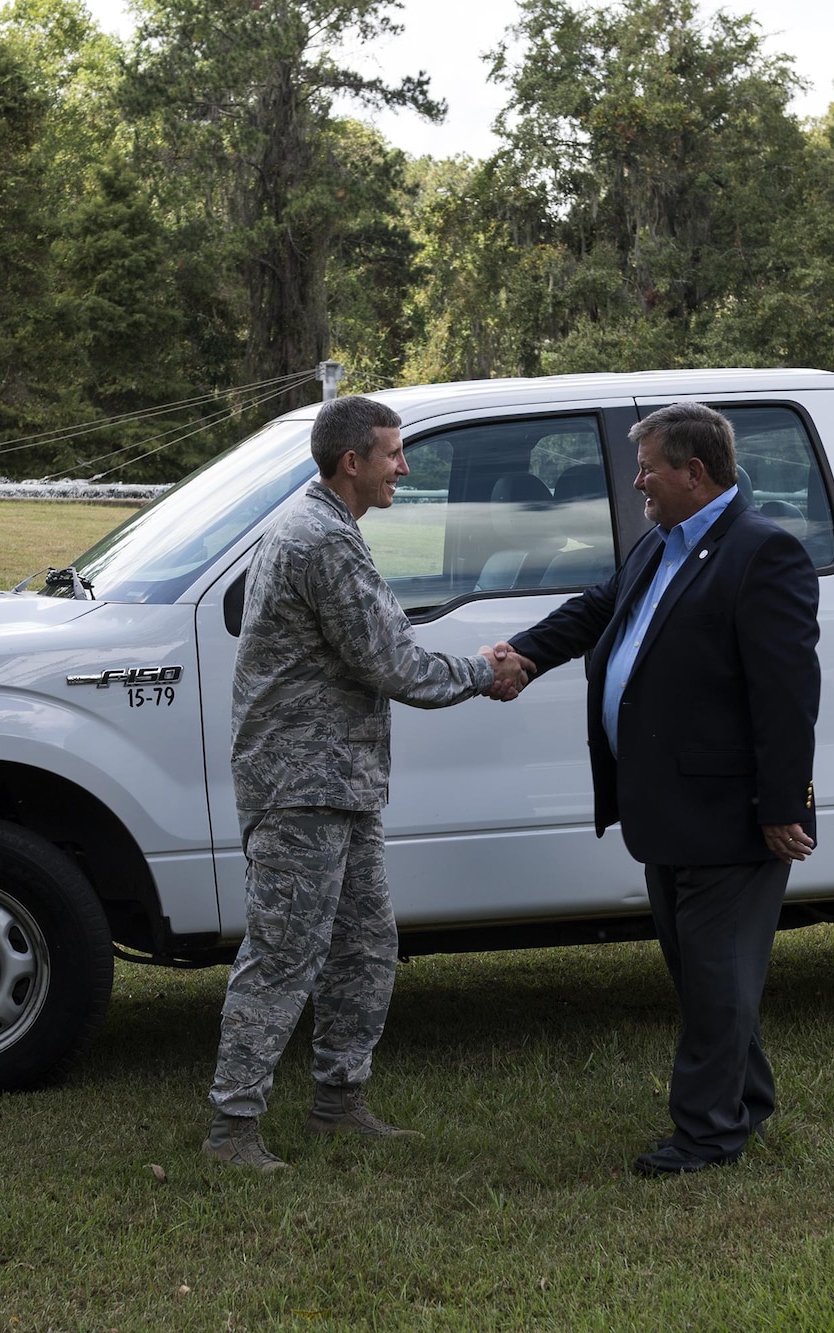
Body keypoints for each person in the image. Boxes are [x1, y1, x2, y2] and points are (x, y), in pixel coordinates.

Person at [205, 394, 529, 1174]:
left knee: (363, 944)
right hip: (303, 784)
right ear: (352, 461)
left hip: (338, 781)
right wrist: (487, 671)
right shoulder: (320, 540)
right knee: (283, 952)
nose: (404, 467)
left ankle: (337, 1103)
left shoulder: (323, 528)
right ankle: (231, 1130)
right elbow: (394, 663)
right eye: (393, 453)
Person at [495, 401, 820, 1177]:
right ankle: (746, 1100)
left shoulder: (762, 552)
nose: (636, 479)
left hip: (728, 814)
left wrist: (783, 808)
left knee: (714, 978)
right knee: (711, 975)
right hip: (668, 810)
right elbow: (598, 609)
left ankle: (707, 1135)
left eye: (647, 467)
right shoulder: (662, 543)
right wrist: (523, 655)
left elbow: (787, 695)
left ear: (693, 472)